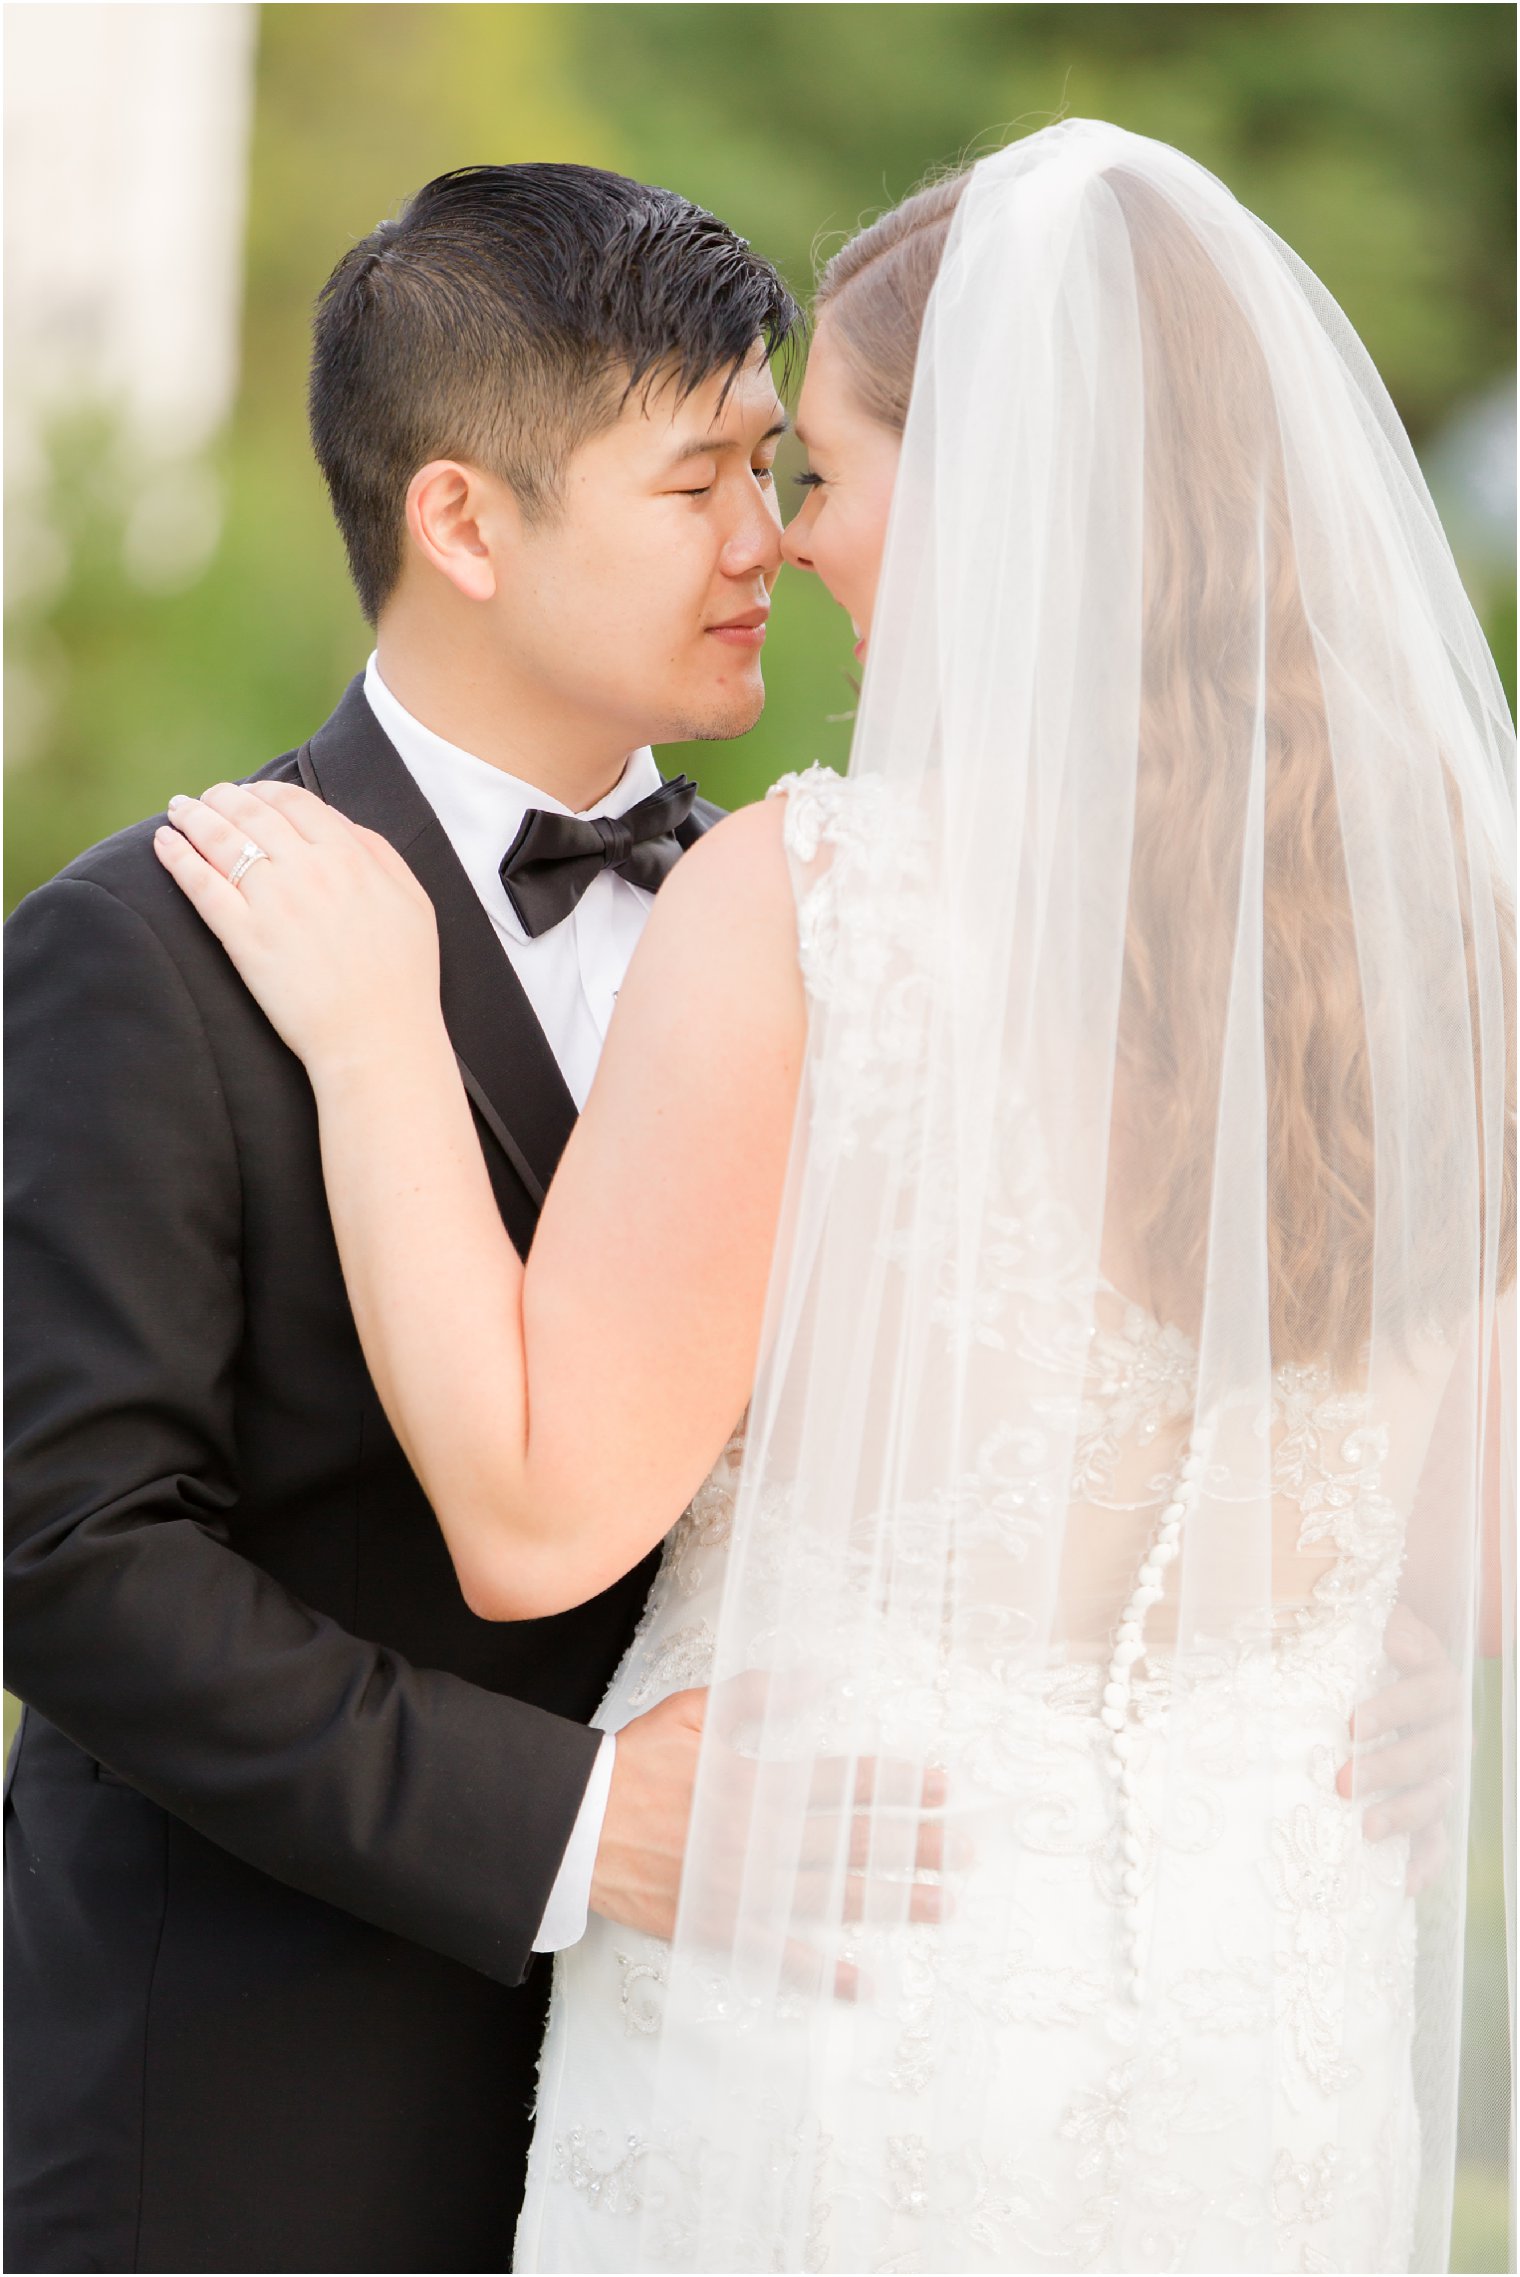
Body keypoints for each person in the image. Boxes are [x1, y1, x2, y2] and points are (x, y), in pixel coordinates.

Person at [155, 123, 1514, 2273]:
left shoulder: (823, 899)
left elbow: (530, 1514)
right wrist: (1415, 1666)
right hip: (1264, 2032)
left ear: (995, 492)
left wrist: (374, 1032)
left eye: (824, 470)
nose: (792, 543)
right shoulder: (1444, 939)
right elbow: (1468, 1560)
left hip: (846, 1994)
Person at [4, 163, 811, 2274]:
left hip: (720, 2089)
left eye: (778, 458)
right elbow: (71, 1552)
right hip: (265, 2113)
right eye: (699, 473)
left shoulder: (810, 943)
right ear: (463, 519)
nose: (768, 539)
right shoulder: (139, 953)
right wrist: (565, 1824)